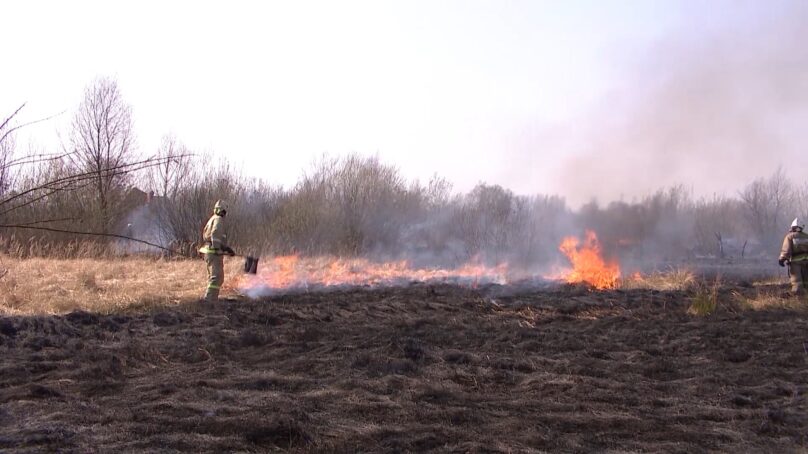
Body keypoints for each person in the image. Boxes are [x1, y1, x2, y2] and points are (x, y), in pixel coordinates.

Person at [198, 200, 235, 302]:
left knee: (216, 277)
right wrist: (217, 248)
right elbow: (215, 234)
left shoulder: (213, 219)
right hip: (213, 252)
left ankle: (212, 299)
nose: (225, 214)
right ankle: (209, 300)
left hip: (210, 251)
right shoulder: (218, 219)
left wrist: (225, 248)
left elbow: (213, 236)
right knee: (216, 277)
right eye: (224, 211)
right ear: (222, 211)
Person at [779, 217, 808, 294]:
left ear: (793, 227)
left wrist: (782, 259)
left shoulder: (790, 236)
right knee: (806, 279)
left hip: (796, 262)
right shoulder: (806, 236)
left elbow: (786, 249)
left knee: (797, 281)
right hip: (807, 261)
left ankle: (798, 296)